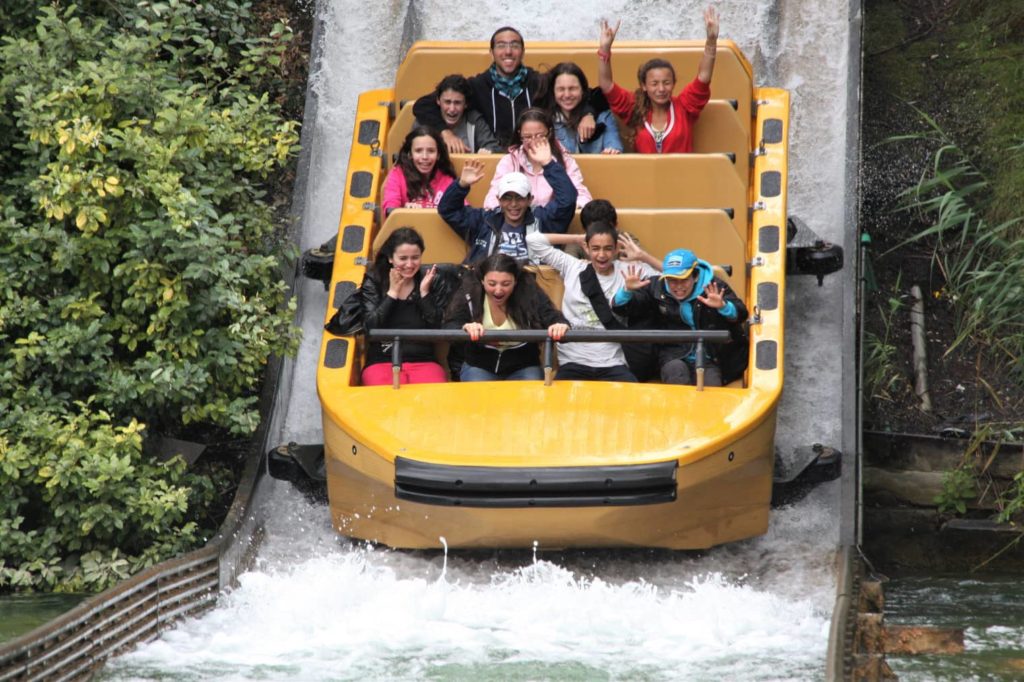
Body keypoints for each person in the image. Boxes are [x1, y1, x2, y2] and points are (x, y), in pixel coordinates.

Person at [412, 26, 597, 151]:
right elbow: (422, 105)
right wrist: (445, 132)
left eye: (514, 45)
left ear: (522, 52)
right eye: (501, 46)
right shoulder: (476, 86)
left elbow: (591, 95)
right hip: (494, 160)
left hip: (535, 158)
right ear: (492, 52)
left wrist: (588, 114)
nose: (508, 51)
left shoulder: (540, 82)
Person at [526, 221, 660, 382]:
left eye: (608, 248)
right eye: (595, 248)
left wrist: (642, 257)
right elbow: (532, 240)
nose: (601, 255)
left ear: (616, 249)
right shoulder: (572, 266)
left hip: (613, 362)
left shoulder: (629, 270)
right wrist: (577, 238)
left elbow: (677, 277)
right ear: (586, 248)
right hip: (573, 361)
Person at [613, 248, 748, 386]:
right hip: (673, 354)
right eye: (672, 280)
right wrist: (627, 291)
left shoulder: (714, 287)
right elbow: (622, 308)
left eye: (684, 280)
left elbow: (741, 314)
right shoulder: (656, 287)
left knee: (711, 386)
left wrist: (723, 307)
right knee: (676, 375)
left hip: (712, 356)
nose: (678, 286)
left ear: (695, 276)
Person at [438, 135, 577, 265]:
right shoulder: (484, 221)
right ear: (498, 199)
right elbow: (448, 210)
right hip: (487, 280)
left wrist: (548, 164)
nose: (513, 204)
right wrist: (461, 185)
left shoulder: (543, 220)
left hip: (531, 281)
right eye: (507, 198)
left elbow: (567, 201)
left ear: (530, 199)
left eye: (519, 198)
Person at [597, 7, 719, 153]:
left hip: (682, 168)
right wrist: (604, 49)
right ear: (644, 86)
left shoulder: (685, 106)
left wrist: (711, 41)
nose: (661, 89)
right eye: (654, 84)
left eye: (666, 83)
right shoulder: (634, 107)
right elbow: (606, 85)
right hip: (644, 169)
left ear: (673, 84)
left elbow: (704, 77)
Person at [445, 254, 569, 381]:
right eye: (492, 284)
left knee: (532, 390)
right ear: (482, 281)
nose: (498, 290)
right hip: (479, 366)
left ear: (515, 281)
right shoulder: (470, 293)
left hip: (523, 366)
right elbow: (452, 324)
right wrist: (466, 327)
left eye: (506, 284)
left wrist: (559, 324)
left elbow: (550, 315)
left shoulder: (529, 293)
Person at [358, 228, 453, 386]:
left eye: (415, 258)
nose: (409, 264)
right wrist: (392, 293)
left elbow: (438, 328)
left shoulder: (432, 279)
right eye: (403, 258)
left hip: (423, 360)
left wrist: (424, 294)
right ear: (391, 258)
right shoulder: (374, 280)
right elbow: (370, 326)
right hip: (382, 360)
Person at [483, 108, 592, 209]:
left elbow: (583, 196)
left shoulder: (565, 160)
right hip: (518, 219)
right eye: (527, 137)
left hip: (553, 219)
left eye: (540, 136)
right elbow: (491, 199)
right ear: (520, 135)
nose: (533, 141)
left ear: (549, 133)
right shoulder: (509, 161)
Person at [544, 62, 622, 155]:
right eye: (561, 89)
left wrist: (611, 152)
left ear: (583, 90)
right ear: (553, 92)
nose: (567, 95)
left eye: (572, 88)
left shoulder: (604, 117)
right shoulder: (545, 122)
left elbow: (614, 147)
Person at [415, 75, 502, 154]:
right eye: (447, 102)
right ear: (438, 100)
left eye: (457, 103)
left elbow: (494, 148)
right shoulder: (424, 120)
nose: (452, 109)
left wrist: (487, 152)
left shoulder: (474, 120)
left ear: (466, 104)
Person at [380, 127, 458, 215]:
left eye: (431, 151)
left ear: (438, 155)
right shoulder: (397, 174)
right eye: (418, 151)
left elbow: (462, 212)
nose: (425, 157)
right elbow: (390, 209)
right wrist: (404, 211)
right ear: (410, 154)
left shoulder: (447, 179)